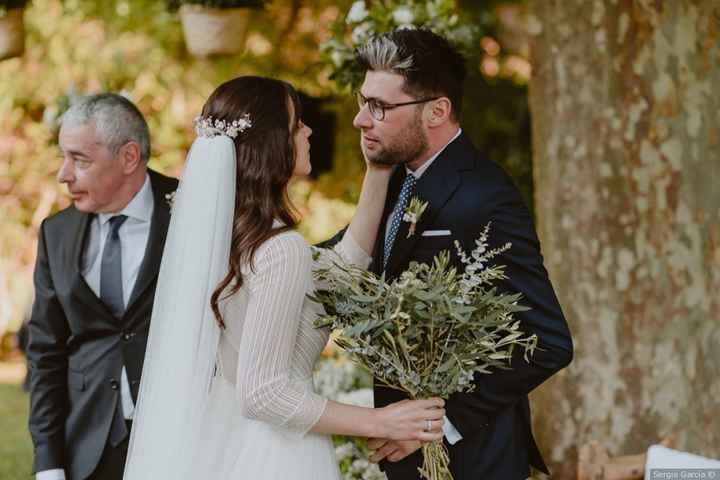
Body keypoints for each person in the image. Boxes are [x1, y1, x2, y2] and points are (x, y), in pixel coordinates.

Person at [122, 76, 445, 480]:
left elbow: (342, 270)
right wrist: (381, 422)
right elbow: (264, 394)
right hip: (274, 454)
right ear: (273, 145)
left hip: (222, 438)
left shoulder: (228, 236)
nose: (308, 131)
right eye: (296, 125)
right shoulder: (279, 249)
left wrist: (377, 173)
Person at [351, 29, 575, 479]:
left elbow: (549, 341)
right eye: (362, 100)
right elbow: (343, 258)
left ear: (437, 111)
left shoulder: (487, 195)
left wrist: (441, 422)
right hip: (404, 456)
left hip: (475, 457)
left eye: (380, 106)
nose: (360, 119)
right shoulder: (394, 179)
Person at [26, 93, 178, 480]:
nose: (63, 174)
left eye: (80, 160)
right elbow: (45, 352)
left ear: (129, 157)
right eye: (63, 157)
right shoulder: (55, 233)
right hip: (87, 449)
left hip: (179, 439)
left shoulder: (191, 209)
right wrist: (48, 462)